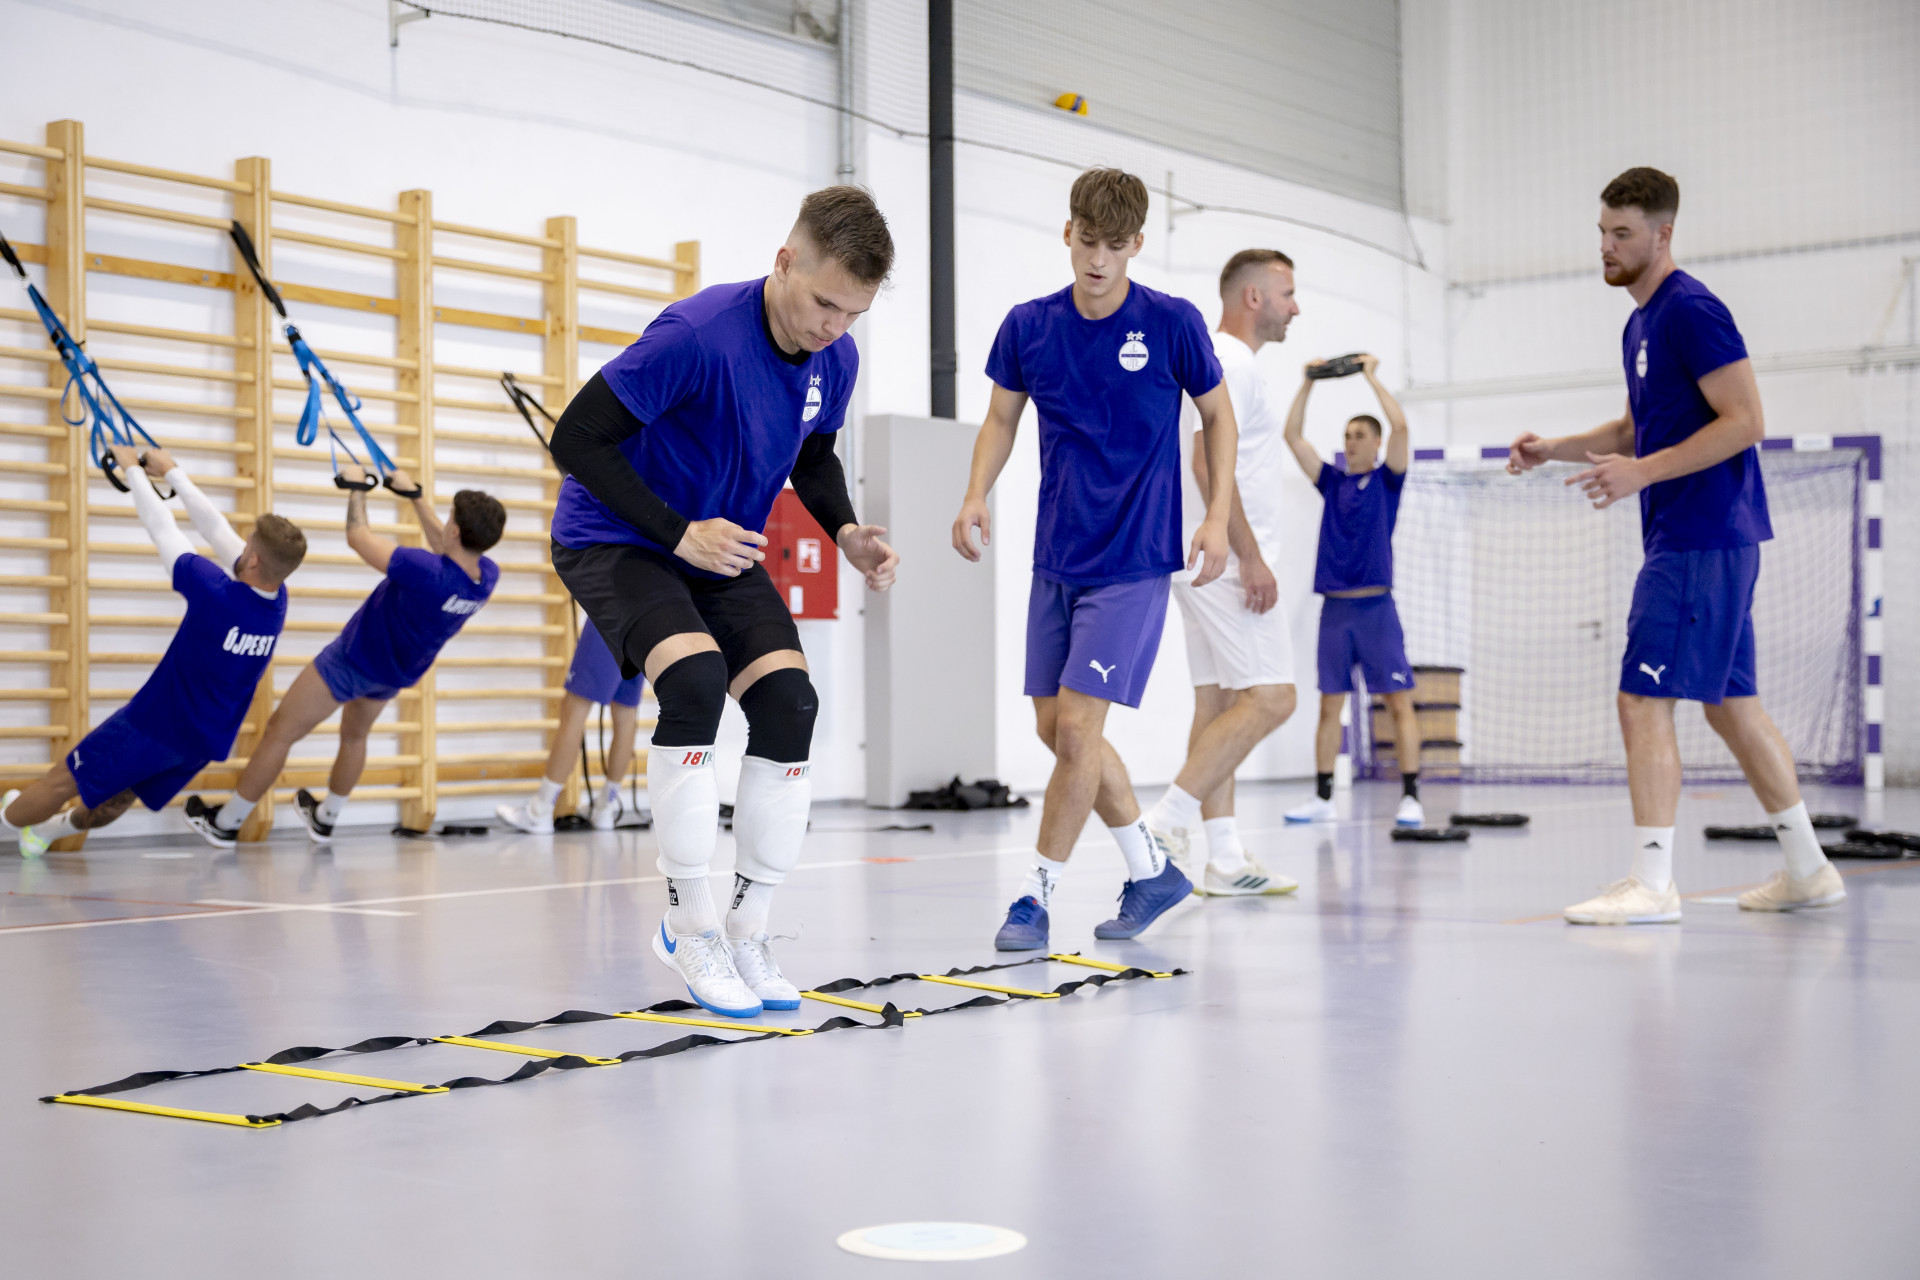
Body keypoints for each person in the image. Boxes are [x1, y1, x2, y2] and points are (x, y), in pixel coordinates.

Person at [546, 186, 899, 1019]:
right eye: (823, 303)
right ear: (784, 263)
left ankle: (749, 930)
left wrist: (845, 532)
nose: (833, 328)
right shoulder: (698, 336)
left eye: (852, 314)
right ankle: (689, 921)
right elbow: (574, 437)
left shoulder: (834, 359)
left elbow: (812, 457)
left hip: (719, 546)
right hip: (619, 536)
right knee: (697, 684)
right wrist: (676, 533)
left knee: (790, 703)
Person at [1508, 166, 1842, 925]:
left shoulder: (1692, 310)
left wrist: (1643, 475)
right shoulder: (1639, 323)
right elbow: (1633, 430)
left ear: (1663, 235)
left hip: (1699, 534)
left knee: (1641, 697)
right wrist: (1552, 447)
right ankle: (1809, 868)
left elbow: (1745, 420)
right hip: (1702, 537)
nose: (1607, 246)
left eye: (1622, 233)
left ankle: (1653, 884)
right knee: (1732, 708)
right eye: (1601, 232)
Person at [953, 166, 1237, 952]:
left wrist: (1213, 517)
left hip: (1135, 558)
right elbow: (1000, 421)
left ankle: (1034, 898)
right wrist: (976, 493)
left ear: (1136, 244)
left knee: (1079, 729)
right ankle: (1153, 872)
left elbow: (1218, 419)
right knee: (1057, 731)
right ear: (1067, 231)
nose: (1099, 259)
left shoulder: (1173, 323)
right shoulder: (1028, 326)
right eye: (1088, 239)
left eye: (1116, 245)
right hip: (1057, 557)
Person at [1, 447, 304, 854]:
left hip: (153, 725)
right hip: (203, 740)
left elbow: (162, 527)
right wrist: (172, 473)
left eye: (246, 544)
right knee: (121, 795)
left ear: (250, 558)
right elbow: (216, 530)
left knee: (62, 781)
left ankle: (10, 819)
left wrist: (133, 471)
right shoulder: (276, 599)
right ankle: (44, 835)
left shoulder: (217, 594)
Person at [184, 463, 505, 847]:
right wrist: (416, 498)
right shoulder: (485, 576)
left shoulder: (425, 570)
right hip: (394, 672)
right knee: (355, 737)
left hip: (352, 660)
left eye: (449, 519)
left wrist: (357, 487)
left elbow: (358, 536)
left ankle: (226, 823)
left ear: (454, 529)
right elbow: (447, 548)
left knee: (279, 732)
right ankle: (326, 818)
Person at [1141, 248, 1302, 896]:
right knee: (1272, 698)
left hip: (1195, 556)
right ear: (1254, 298)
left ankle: (1226, 858)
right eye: (1288, 293)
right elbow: (1209, 466)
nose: (1297, 306)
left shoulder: (1215, 359)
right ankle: (1163, 822)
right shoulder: (1231, 361)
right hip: (1226, 561)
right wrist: (1251, 556)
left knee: (1218, 705)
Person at [1281, 353, 1424, 828]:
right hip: (1335, 615)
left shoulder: (1388, 481)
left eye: (1359, 435)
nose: (1350, 442)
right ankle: (1322, 798)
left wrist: (1370, 376)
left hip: (1377, 610)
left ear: (1377, 442)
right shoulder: (1332, 483)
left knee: (1398, 703)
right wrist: (1308, 383)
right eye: (1346, 436)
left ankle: (1411, 797)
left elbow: (1401, 428)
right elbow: (1292, 438)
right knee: (1329, 707)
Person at [496, 618, 644, 834]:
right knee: (625, 712)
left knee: (574, 708)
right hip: (643, 621)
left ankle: (540, 809)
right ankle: (605, 807)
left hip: (613, 609)